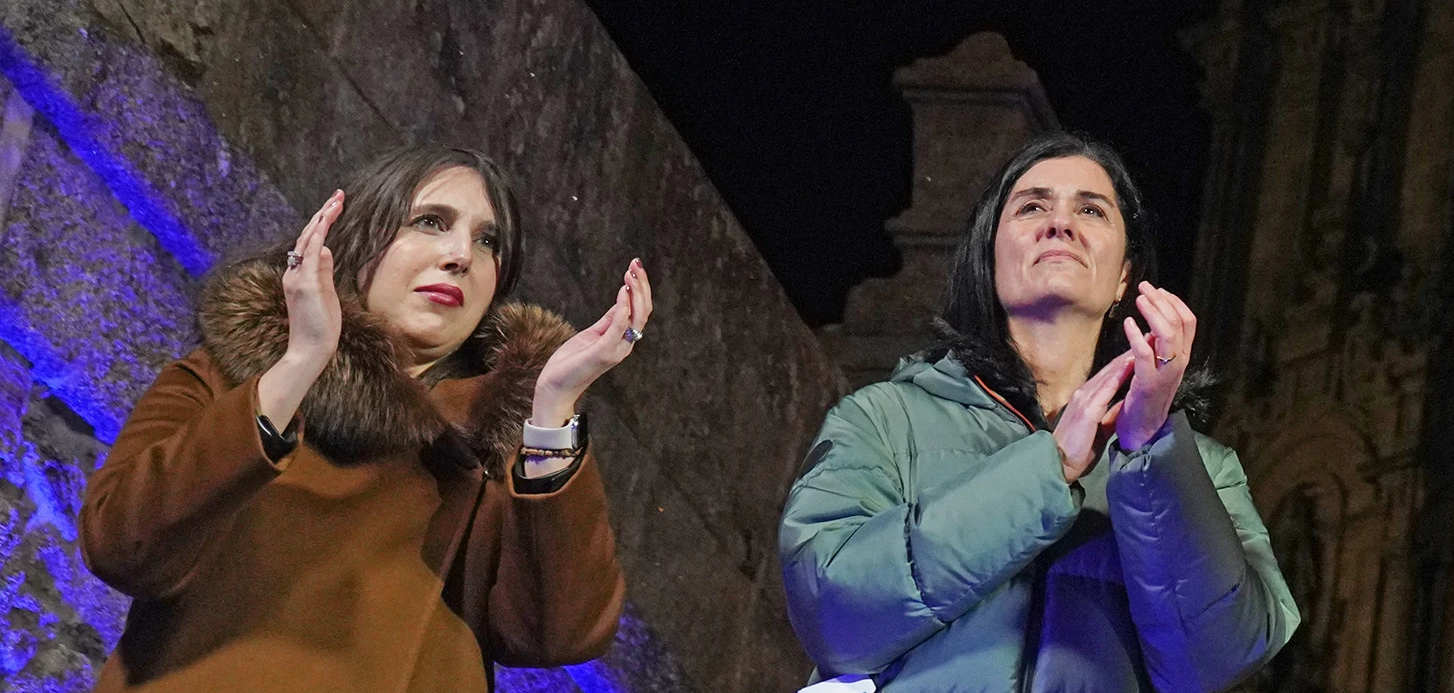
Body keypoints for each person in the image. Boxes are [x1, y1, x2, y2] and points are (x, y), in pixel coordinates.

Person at [81, 143, 652, 691]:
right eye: (431, 221)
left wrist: (550, 409)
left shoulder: (503, 453)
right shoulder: (225, 379)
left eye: (488, 242)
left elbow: (560, 634)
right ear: (355, 236)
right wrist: (299, 364)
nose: (461, 256)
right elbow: (122, 545)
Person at [781, 132, 1301, 691]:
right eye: (1032, 206)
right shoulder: (886, 418)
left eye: (1091, 210)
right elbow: (833, 612)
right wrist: (1047, 467)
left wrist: (1150, 447)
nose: (1060, 223)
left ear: (1125, 274)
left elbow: (1220, 658)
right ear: (992, 255)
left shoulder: (1203, 468)